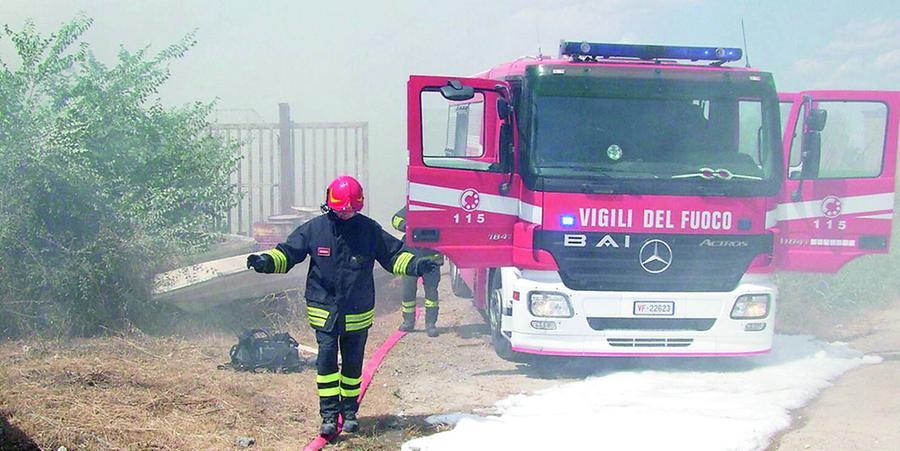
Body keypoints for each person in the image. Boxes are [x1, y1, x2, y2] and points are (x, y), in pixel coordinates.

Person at [246, 176, 437, 436]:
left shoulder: (369, 230)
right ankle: (327, 414)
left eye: (350, 209)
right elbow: (289, 252)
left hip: (357, 311)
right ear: (329, 204)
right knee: (326, 361)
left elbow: (393, 256)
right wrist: (266, 261)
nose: (345, 213)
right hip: (323, 308)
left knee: (352, 363)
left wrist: (417, 264)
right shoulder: (315, 229)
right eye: (341, 209)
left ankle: (349, 413)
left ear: (358, 206)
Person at [391, 206, 443, 337]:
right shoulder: (412, 206)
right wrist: (407, 225)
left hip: (431, 257)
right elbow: (395, 219)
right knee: (408, 291)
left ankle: (431, 324)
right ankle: (408, 322)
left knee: (431, 293)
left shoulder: (440, 209)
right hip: (411, 257)